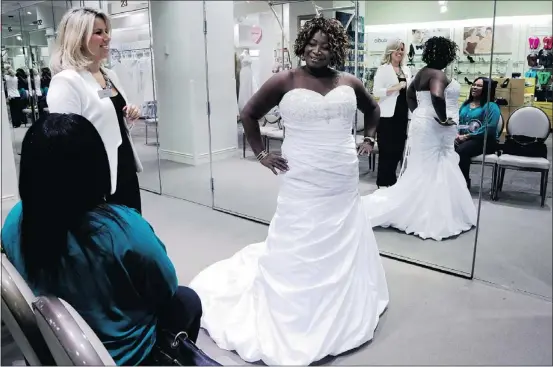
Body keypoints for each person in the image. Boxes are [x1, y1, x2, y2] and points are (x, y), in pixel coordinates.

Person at [189, 17, 389, 365]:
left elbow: (373, 109)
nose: (317, 50)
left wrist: (369, 137)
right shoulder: (285, 79)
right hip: (302, 175)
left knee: (341, 234)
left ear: (336, 49)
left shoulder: (349, 81)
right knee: (300, 234)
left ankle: (341, 301)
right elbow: (249, 114)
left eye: (326, 46)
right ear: (303, 44)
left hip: (341, 177)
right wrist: (262, 154)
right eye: (312, 43)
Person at [0, 113, 202, 366]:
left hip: (55, 344)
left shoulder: (15, 219)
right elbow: (166, 286)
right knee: (187, 300)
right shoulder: (123, 228)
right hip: (122, 356)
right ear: (96, 166)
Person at [363, 36, 477, 241]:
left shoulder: (421, 73)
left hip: (422, 122)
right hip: (435, 126)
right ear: (447, 54)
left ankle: (419, 205)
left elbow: (409, 95)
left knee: (424, 165)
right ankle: (429, 213)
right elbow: (438, 96)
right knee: (435, 164)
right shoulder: (437, 75)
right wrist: (443, 119)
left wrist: (419, 112)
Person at [47, 7, 143, 213]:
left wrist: (129, 113)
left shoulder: (108, 75)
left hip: (123, 167)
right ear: (77, 38)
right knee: (109, 239)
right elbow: (64, 145)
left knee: (133, 233)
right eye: (98, 32)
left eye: (106, 31)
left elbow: (109, 115)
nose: (107, 37)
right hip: (98, 177)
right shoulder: (67, 81)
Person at [372, 38, 412, 187]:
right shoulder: (383, 69)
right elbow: (376, 91)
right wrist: (394, 88)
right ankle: (383, 182)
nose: (400, 52)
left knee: (397, 149)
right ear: (390, 51)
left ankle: (392, 180)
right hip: (387, 116)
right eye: (397, 49)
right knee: (386, 149)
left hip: (402, 114)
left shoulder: (406, 70)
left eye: (402, 49)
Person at [455, 77, 500, 188]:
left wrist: (466, 136)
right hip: (463, 138)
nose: (474, 87)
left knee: (461, 150)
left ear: (486, 89)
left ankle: (463, 183)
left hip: (484, 140)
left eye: (479, 86)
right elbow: (457, 121)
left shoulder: (491, 106)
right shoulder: (466, 105)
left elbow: (489, 128)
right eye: (474, 84)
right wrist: (456, 134)